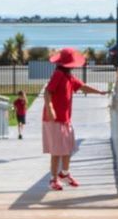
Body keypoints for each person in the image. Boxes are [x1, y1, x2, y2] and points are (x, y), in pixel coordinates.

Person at [42, 47, 106, 191]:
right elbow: (47, 92)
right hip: (54, 119)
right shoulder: (58, 74)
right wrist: (50, 108)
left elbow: (83, 87)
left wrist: (99, 92)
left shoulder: (68, 77)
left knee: (68, 148)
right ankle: (53, 179)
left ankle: (64, 174)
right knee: (57, 151)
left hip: (64, 119)